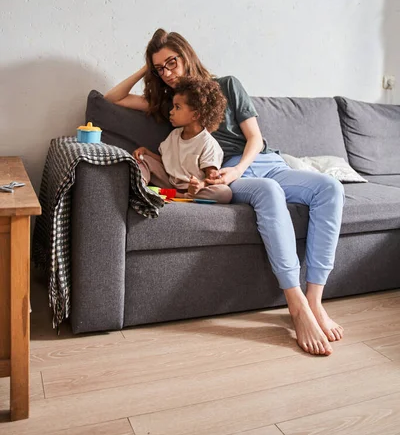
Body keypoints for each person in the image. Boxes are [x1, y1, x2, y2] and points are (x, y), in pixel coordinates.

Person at [105, 28, 345, 356]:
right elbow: (113, 98)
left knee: (329, 188)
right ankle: (296, 304)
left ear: (187, 55)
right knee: (270, 192)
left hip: (261, 162)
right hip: (224, 171)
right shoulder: (170, 104)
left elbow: (255, 139)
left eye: (171, 62)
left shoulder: (229, 85)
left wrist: (240, 169)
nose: (168, 73)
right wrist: (148, 69)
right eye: (160, 68)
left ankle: (315, 301)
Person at [133, 76, 232, 204]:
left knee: (224, 193)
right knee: (142, 159)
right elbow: (165, 162)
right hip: (169, 182)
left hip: (192, 189)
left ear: (195, 115)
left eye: (177, 107)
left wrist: (199, 186)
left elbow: (212, 177)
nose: (171, 112)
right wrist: (146, 152)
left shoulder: (207, 143)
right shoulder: (174, 135)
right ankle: (140, 188)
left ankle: (183, 197)